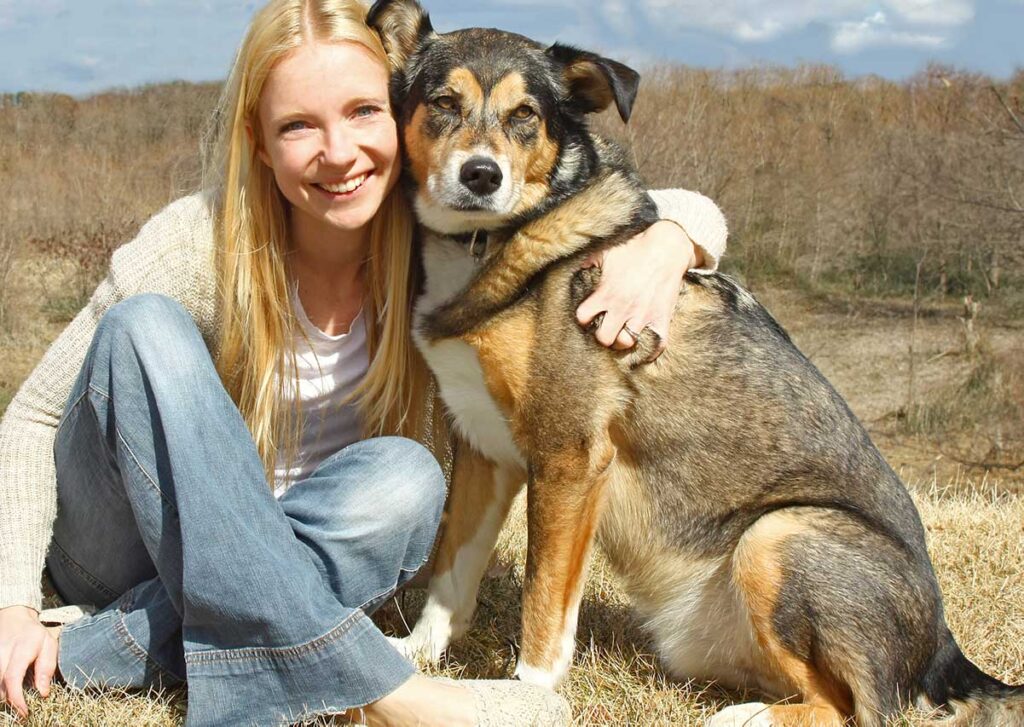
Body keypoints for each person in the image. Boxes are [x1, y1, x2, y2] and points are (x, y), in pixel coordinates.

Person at [0, 1, 729, 725]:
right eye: (298, 126)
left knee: (404, 481)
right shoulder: (197, 242)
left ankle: (103, 647)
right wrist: (10, 601)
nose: (339, 152)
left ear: (396, 116)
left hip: (304, 541)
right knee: (145, 328)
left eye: (361, 112)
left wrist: (672, 238)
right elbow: (31, 418)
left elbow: (628, 202)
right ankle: (387, 693)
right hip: (121, 544)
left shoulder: (433, 244)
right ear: (257, 141)